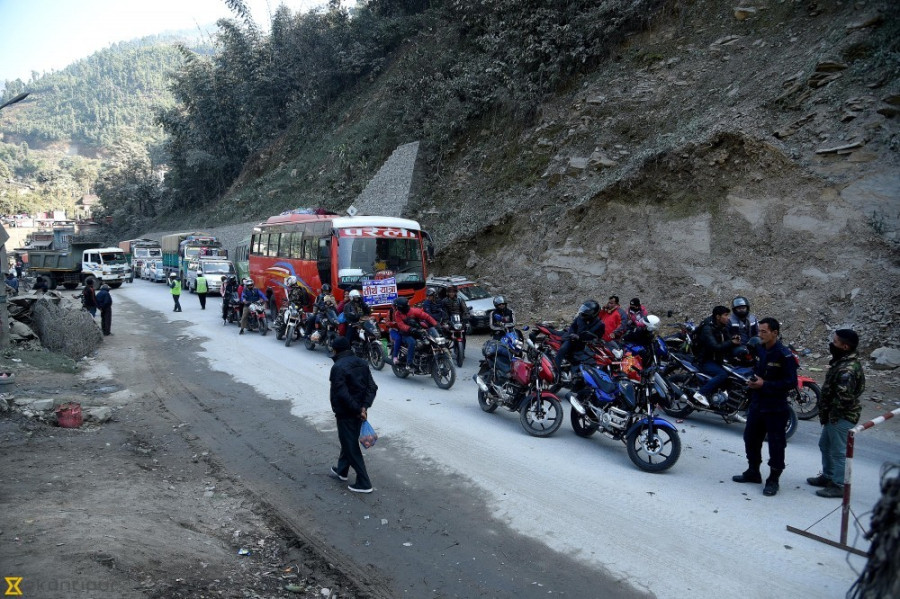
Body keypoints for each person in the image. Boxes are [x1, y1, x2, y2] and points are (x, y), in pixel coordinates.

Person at [733, 317, 798, 496]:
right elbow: (757, 370)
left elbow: (791, 382)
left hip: (775, 407)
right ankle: (753, 471)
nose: (760, 335)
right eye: (759, 331)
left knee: (776, 445)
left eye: (764, 332)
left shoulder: (784, 355)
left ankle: (773, 479)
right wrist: (752, 381)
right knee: (750, 438)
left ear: (774, 333)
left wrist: (765, 384)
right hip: (757, 404)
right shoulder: (760, 349)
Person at [807, 329, 865, 498]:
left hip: (841, 416)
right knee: (825, 445)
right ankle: (828, 476)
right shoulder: (842, 362)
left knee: (838, 451)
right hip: (834, 415)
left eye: (835, 342)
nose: (832, 344)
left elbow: (844, 399)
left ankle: (839, 484)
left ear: (845, 346)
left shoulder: (848, 369)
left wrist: (832, 415)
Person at [328, 336, 378, 493]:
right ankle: (342, 471)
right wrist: (364, 407)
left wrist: (358, 409)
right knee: (347, 440)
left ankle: (364, 482)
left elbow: (342, 394)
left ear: (336, 350)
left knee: (350, 446)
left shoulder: (338, 368)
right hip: (360, 411)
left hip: (346, 412)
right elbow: (372, 387)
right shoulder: (362, 362)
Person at [692, 305, 742, 407]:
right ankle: (701, 394)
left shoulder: (722, 327)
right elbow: (715, 347)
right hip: (705, 360)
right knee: (722, 374)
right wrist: (731, 342)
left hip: (717, 360)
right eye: (726, 315)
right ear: (718, 317)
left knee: (733, 373)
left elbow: (727, 340)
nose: (728, 318)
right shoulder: (707, 328)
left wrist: (734, 339)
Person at [554, 300, 605, 370]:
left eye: (586, 311)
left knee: (589, 360)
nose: (583, 312)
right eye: (584, 310)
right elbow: (573, 327)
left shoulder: (600, 324)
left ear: (593, 313)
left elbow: (598, 337)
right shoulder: (580, 317)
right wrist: (572, 334)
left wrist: (587, 340)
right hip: (573, 339)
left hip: (586, 345)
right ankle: (556, 370)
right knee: (562, 349)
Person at [390, 296, 438, 370]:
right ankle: (409, 364)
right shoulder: (397, 314)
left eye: (397, 307)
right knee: (412, 342)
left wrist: (436, 324)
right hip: (406, 334)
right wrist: (410, 329)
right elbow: (401, 325)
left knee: (428, 340)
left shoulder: (413, 311)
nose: (396, 308)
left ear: (401, 307)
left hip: (417, 331)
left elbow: (427, 316)